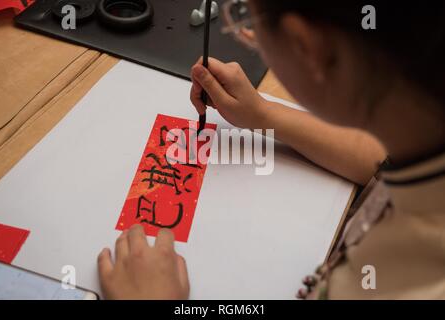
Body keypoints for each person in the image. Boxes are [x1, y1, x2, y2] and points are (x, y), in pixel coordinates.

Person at [97, 0, 445, 299]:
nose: (245, 29)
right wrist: (263, 115)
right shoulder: (421, 136)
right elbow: (379, 162)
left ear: (306, 46)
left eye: (246, 18)